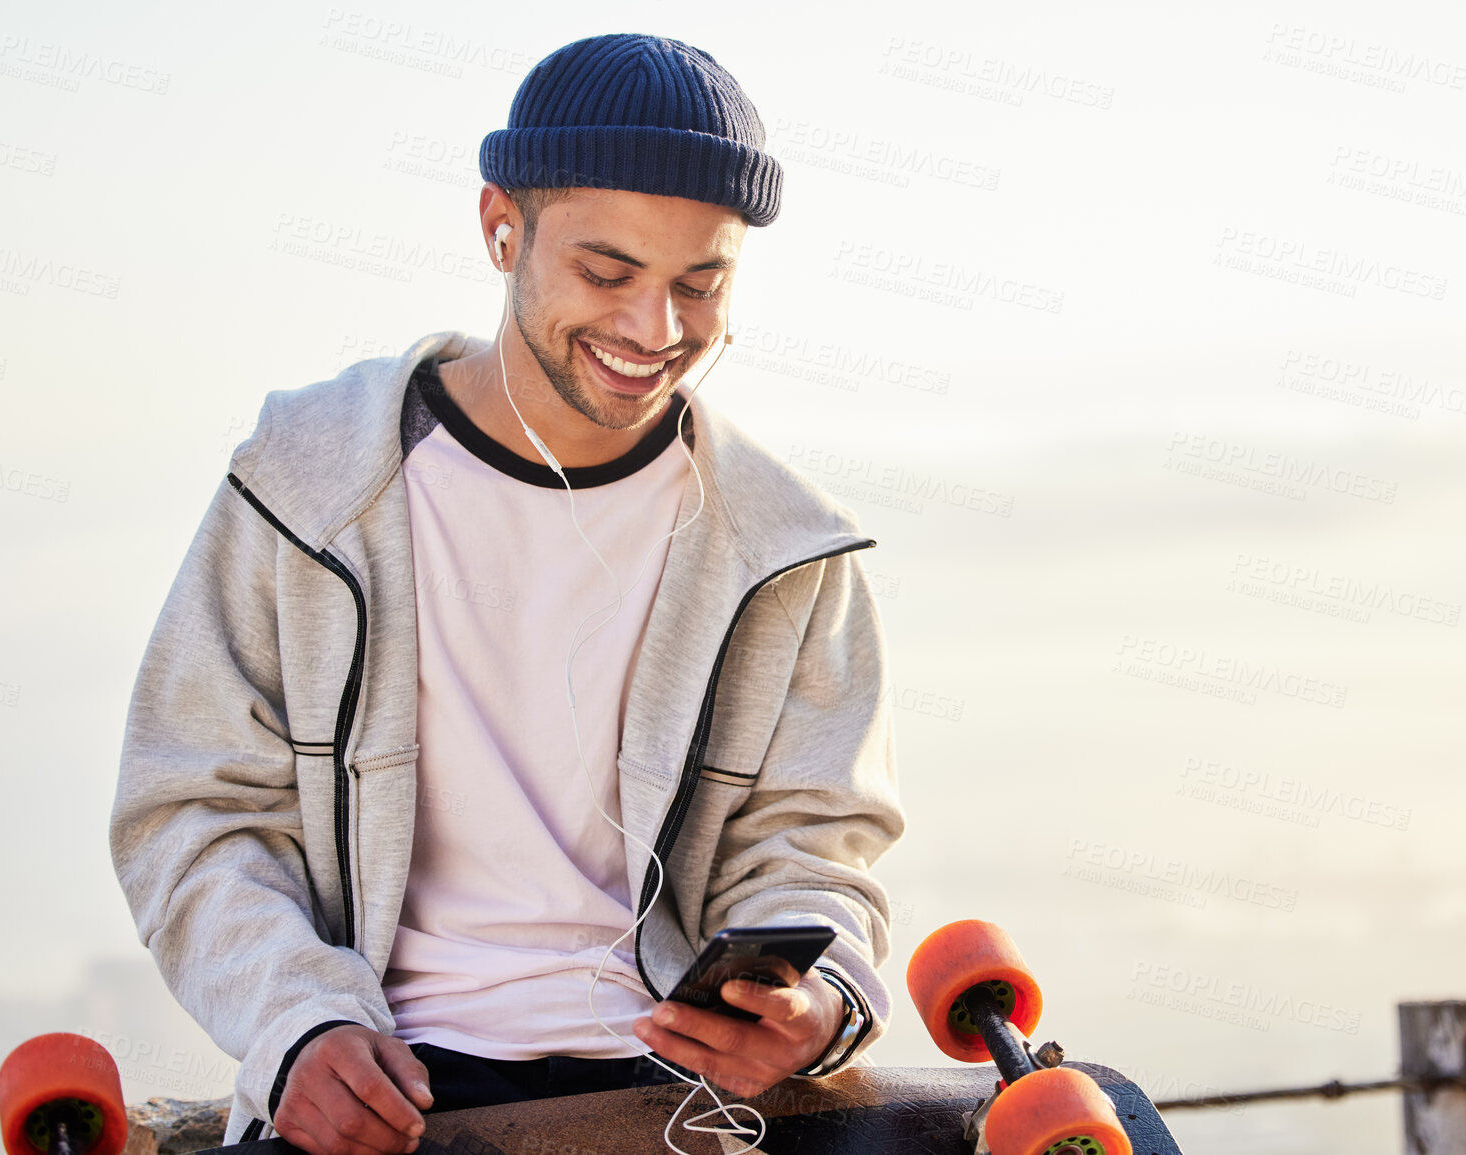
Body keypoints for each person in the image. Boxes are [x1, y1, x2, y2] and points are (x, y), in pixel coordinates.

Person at [108, 32, 905, 1155]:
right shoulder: (306, 482)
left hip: (676, 1098)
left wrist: (816, 1002)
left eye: (700, 282)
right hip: (383, 1082)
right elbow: (192, 810)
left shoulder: (788, 548)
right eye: (606, 271)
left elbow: (817, 844)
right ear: (501, 228)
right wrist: (296, 1024)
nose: (654, 329)